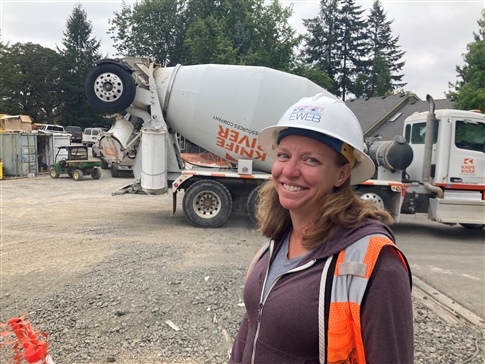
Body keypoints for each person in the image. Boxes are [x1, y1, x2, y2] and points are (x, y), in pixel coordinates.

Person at [229, 94, 413, 364]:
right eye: (283, 155)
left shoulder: (377, 263)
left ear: (341, 174)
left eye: (310, 160)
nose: (289, 171)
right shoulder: (278, 238)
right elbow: (251, 325)